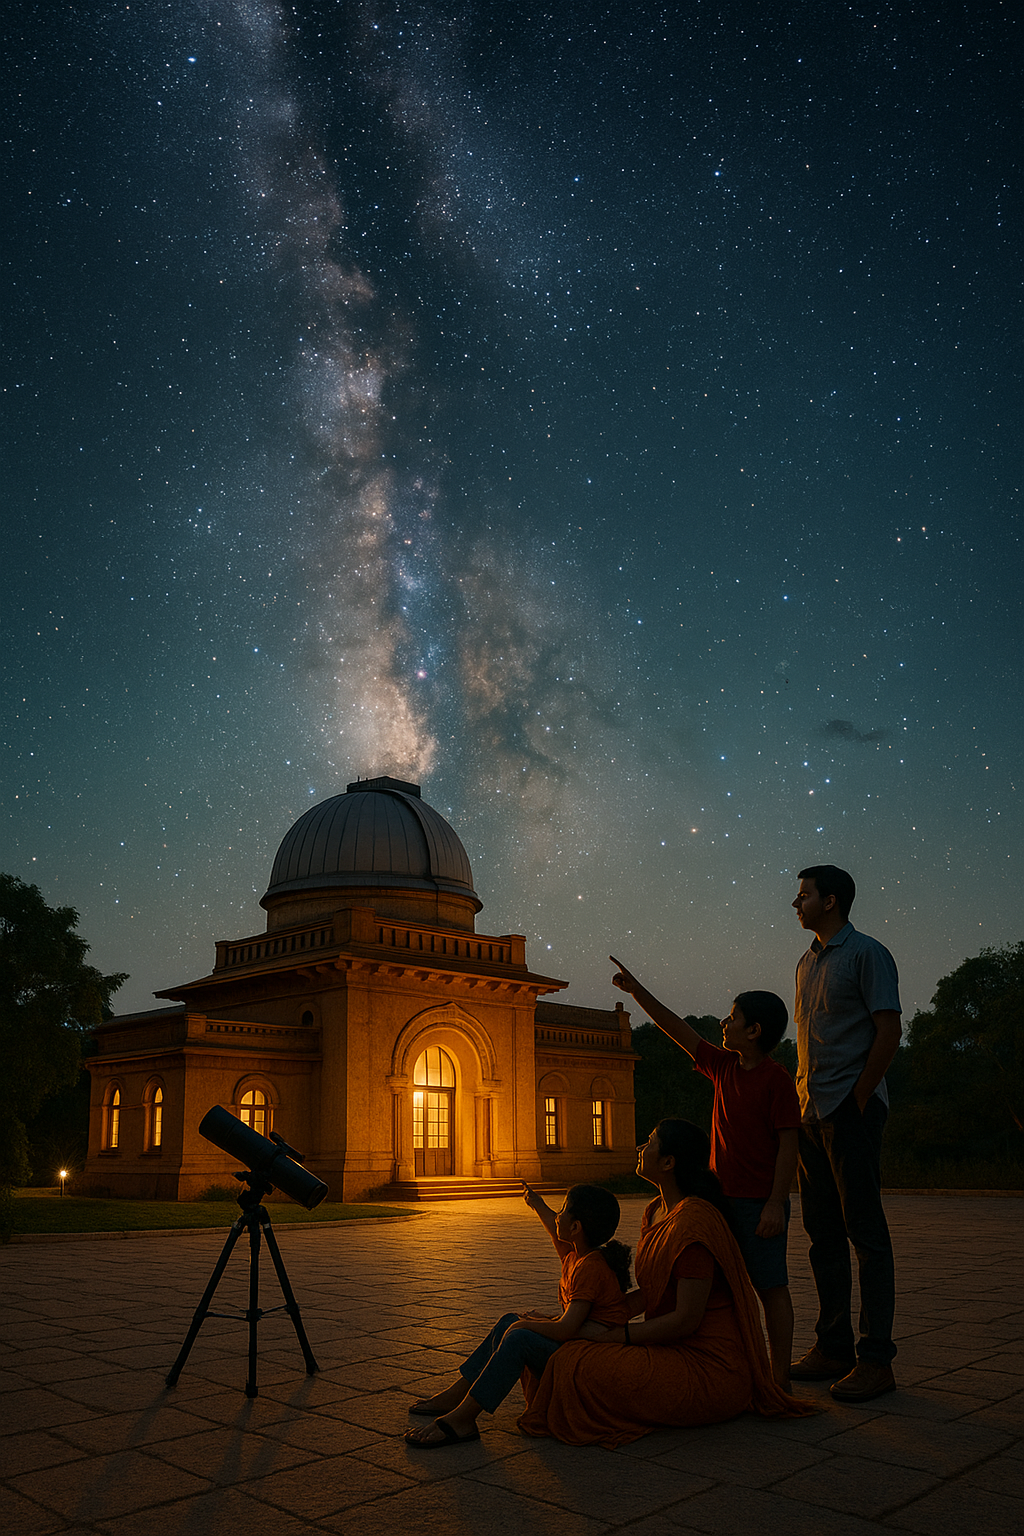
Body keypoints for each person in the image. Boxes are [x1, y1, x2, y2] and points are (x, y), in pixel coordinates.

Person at [518, 1119, 815, 1447]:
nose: (640, 1148)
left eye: (649, 1142)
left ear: (668, 1163)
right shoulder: (655, 1211)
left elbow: (687, 1318)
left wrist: (617, 1336)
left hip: (710, 1369)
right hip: (669, 1350)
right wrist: (590, 1323)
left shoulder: (693, 1223)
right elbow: (652, 1292)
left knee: (575, 1362)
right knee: (574, 1347)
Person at [608, 958, 800, 1389]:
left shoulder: (776, 1080)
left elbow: (789, 1144)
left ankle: (780, 1379)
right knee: (722, 1290)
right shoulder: (723, 1066)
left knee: (770, 1288)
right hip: (716, 1200)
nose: (723, 1022)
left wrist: (775, 1203)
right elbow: (678, 1030)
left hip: (757, 1206)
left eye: (733, 1017)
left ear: (754, 1031)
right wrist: (638, 992)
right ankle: (736, 1366)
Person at [790, 864, 902, 1402]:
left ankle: (876, 1359)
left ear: (830, 901)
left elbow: (888, 1030)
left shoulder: (867, 954)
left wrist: (858, 1101)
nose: (796, 902)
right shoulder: (804, 964)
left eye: (804, 895)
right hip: (812, 1115)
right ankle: (833, 1346)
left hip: (849, 1114)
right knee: (823, 1237)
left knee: (866, 1235)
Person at [404, 1183, 631, 1448]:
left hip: (587, 1359)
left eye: (562, 1211)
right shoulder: (578, 1255)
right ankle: (459, 1393)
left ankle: (464, 1418)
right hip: (578, 1345)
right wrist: (536, 1204)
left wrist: (529, 1323)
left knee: (518, 1335)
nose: (556, 1215)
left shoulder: (590, 1267)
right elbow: (553, 1228)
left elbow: (566, 1329)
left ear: (576, 1228)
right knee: (508, 1321)